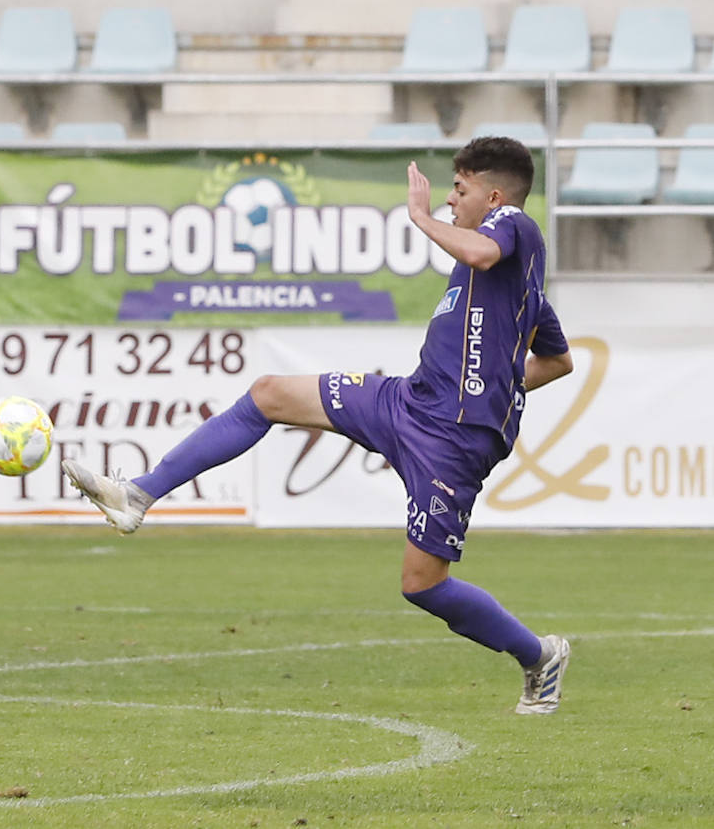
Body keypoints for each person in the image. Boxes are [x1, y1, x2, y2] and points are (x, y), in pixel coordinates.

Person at [63, 137, 575, 715]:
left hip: (454, 440)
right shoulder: (507, 282)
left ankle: (539, 656)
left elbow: (490, 262)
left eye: (460, 190)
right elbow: (559, 360)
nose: (451, 201)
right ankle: (137, 494)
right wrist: (502, 382)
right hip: (408, 401)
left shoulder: (515, 231)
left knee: (423, 585)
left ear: (496, 196)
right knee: (269, 394)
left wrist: (417, 216)